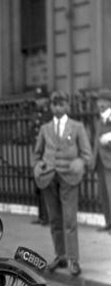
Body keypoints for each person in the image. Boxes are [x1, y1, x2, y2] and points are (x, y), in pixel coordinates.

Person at [32, 90, 92, 276]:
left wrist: (79, 162)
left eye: (61, 104)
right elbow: (36, 154)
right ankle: (61, 256)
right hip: (49, 178)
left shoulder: (77, 127)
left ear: (67, 106)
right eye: (54, 104)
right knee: (55, 220)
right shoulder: (45, 128)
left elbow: (87, 155)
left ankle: (74, 259)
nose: (58, 107)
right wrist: (37, 166)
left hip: (69, 177)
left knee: (69, 219)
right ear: (51, 106)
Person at [92, 87, 111, 233]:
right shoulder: (99, 119)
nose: (101, 103)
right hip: (100, 162)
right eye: (99, 100)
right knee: (104, 194)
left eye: (104, 100)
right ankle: (108, 222)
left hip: (110, 161)